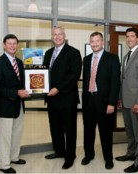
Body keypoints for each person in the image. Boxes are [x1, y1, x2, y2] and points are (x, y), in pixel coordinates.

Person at [43, 26, 82, 169]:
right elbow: (44, 75)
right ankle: (59, 151)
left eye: (60, 34)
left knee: (70, 129)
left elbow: (74, 75)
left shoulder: (73, 53)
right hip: (52, 99)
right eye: (54, 34)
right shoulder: (48, 53)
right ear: (52, 37)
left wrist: (57, 89)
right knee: (55, 128)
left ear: (64, 35)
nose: (57, 36)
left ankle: (70, 156)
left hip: (67, 99)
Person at [81, 32, 121, 170]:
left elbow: (115, 83)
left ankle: (108, 158)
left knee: (105, 132)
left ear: (103, 42)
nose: (94, 44)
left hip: (104, 103)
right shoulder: (86, 60)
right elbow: (87, 80)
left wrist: (112, 103)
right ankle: (89, 155)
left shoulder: (112, 58)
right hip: (88, 101)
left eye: (97, 41)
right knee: (88, 131)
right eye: (92, 41)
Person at [115, 27, 138, 173]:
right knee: (130, 132)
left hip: (137, 103)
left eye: (132, 36)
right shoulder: (126, 56)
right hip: (125, 102)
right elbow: (123, 80)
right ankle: (131, 154)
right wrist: (119, 98)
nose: (129, 39)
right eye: (127, 36)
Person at [0, 34, 29, 174]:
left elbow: (22, 83)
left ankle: (14, 157)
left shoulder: (19, 62)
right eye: (9, 43)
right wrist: (16, 93)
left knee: (16, 134)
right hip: (5, 107)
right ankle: (3, 164)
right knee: (5, 136)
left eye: (15, 43)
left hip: (18, 106)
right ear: (4, 45)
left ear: (17, 45)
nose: (12, 46)